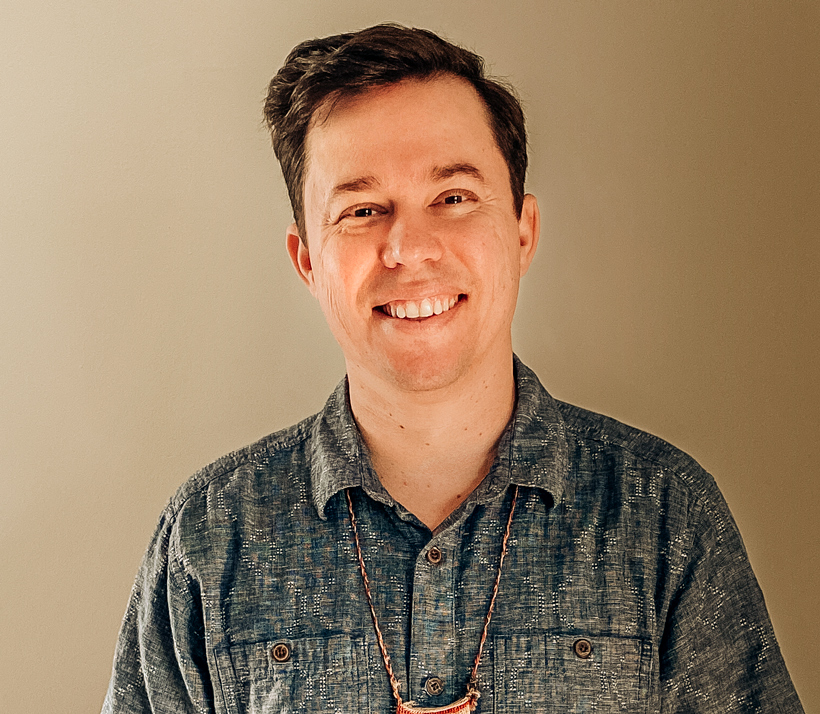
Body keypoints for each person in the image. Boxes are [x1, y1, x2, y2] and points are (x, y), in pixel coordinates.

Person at [102, 24, 803, 713]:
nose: (409, 248)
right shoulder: (208, 535)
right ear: (308, 261)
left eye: (454, 198)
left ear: (521, 232)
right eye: (363, 209)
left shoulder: (665, 515)